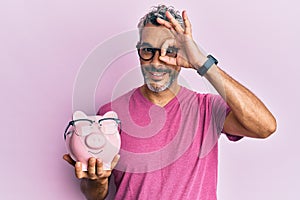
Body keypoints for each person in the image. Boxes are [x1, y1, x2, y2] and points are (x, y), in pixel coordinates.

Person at [63, 5, 276, 200]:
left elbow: (265, 127)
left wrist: (202, 62)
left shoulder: (207, 109)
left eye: (169, 51)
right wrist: (96, 181)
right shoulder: (110, 115)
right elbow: (95, 195)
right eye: (148, 50)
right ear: (138, 51)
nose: (156, 63)